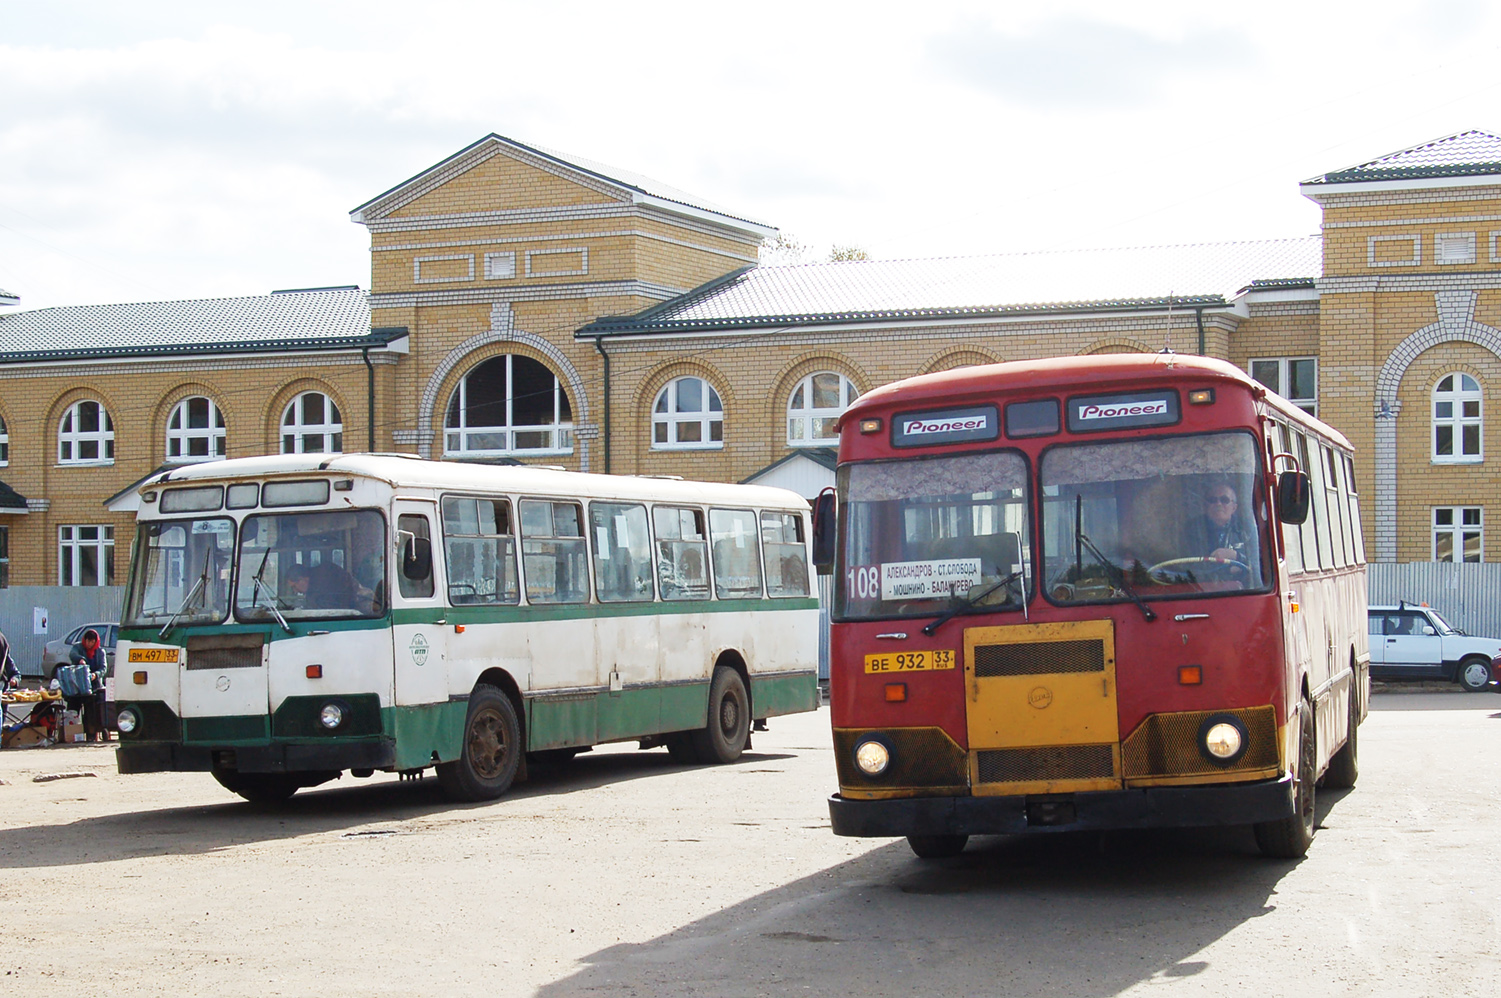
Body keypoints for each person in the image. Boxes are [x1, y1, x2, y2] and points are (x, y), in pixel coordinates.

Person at [1183, 479, 1250, 565]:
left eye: (1224, 500)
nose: (1218, 504)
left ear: (1234, 507)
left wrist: (1237, 556)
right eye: (1212, 500)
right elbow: (1188, 564)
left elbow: (1257, 563)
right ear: (1205, 506)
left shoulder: (1245, 529)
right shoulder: (1193, 529)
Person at [69, 628, 110, 743]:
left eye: (92, 642)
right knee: (73, 706)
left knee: (91, 708)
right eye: (87, 641)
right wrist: (80, 659)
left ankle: (91, 734)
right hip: (78, 685)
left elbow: (103, 668)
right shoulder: (78, 647)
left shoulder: (100, 652)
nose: (89, 644)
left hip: (94, 686)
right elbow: (73, 654)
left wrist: (95, 675)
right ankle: (72, 732)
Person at [285, 560, 373, 612]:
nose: (295, 591)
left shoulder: (325, 578)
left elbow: (329, 610)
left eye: (294, 586)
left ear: (303, 579)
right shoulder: (313, 587)